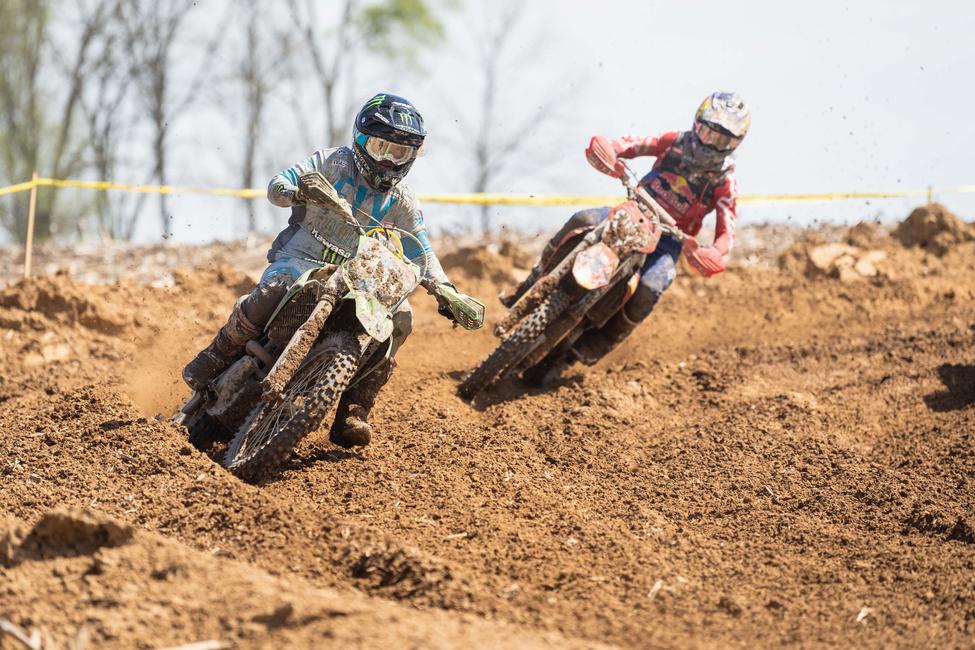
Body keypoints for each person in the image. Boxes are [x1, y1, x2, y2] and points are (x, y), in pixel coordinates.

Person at [182, 93, 460, 448]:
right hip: (302, 259)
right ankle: (218, 352)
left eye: (400, 153)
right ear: (361, 140)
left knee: (402, 319)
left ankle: (353, 409)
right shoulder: (334, 162)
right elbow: (280, 184)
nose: (389, 160)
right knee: (274, 290)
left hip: (360, 278)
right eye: (381, 147)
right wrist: (294, 189)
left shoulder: (403, 200)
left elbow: (420, 248)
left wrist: (445, 288)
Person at [507, 91, 750, 368]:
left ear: (734, 145)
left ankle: (603, 340)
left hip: (668, 240)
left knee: (652, 285)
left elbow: (726, 232)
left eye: (722, 141)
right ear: (697, 124)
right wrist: (609, 151)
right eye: (708, 133)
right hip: (632, 212)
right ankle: (538, 275)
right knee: (582, 218)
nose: (711, 144)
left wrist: (714, 253)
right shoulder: (675, 142)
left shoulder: (725, 181)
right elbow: (632, 145)